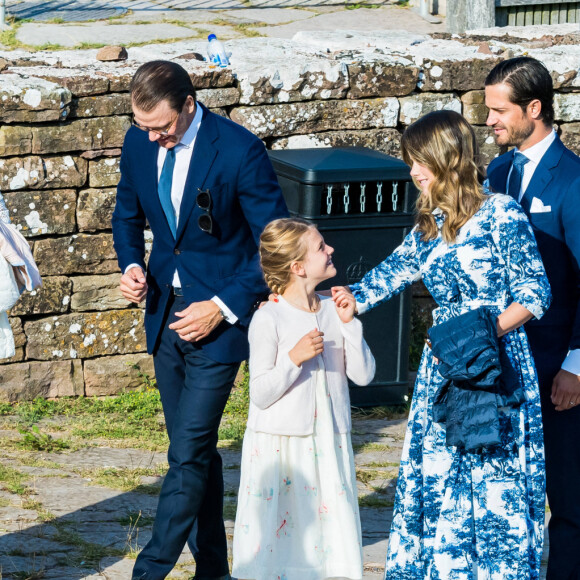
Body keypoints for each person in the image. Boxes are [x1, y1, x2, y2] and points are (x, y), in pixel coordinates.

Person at [332, 110, 551, 579]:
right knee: (442, 469)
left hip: (495, 365)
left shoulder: (501, 212)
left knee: (493, 475)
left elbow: (536, 294)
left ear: (448, 158)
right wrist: (351, 300)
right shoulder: (431, 221)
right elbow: (393, 271)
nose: (413, 171)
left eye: (420, 161)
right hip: (443, 365)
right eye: (410, 162)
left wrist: (478, 337)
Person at [111, 60, 288, 580]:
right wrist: (131, 265)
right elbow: (126, 215)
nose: (155, 138)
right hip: (165, 317)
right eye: (145, 128)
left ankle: (150, 570)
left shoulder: (239, 150)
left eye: (163, 127)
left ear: (189, 103)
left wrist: (223, 307)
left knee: (186, 454)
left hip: (220, 327)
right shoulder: (139, 140)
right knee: (197, 453)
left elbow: (274, 247)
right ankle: (214, 571)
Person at [232, 218, 375, 580]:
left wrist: (350, 324)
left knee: (330, 532)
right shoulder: (270, 318)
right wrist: (293, 359)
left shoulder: (333, 308)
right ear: (297, 267)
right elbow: (261, 394)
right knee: (283, 533)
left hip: (329, 440)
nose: (330, 250)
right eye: (320, 247)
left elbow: (364, 375)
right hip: (282, 444)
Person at [485, 56, 580, 580]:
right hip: (503, 368)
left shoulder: (574, 181)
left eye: (500, 110)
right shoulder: (497, 172)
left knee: (567, 498)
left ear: (534, 108)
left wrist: (577, 364)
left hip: (557, 368)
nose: (491, 121)